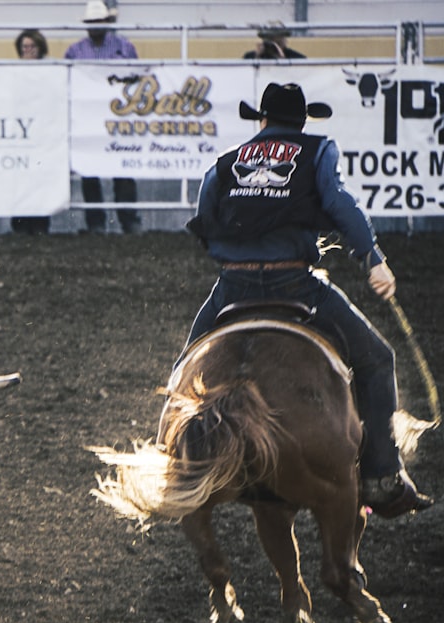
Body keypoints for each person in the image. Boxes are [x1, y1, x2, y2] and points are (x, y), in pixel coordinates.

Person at [184, 82, 432, 519]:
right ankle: (380, 472)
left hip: (233, 286)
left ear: (261, 120)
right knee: (377, 359)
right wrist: (372, 259)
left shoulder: (225, 162)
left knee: (187, 365)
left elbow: (206, 215)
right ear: (301, 122)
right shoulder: (316, 151)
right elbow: (340, 205)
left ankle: (176, 457)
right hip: (294, 286)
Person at [65, 0, 142, 235]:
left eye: (99, 21)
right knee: (90, 170)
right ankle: (96, 223)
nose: (95, 26)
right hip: (87, 117)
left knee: (123, 169)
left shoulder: (125, 47)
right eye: (92, 22)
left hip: (118, 117)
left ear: (107, 22)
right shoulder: (74, 51)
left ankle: (128, 220)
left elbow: (136, 78)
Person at [10, 28, 53, 235]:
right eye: (24, 47)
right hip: (20, 132)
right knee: (19, 180)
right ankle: (20, 225)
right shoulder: (14, 72)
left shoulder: (50, 71)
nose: (28, 50)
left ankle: (40, 224)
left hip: (42, 132)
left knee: (40, 179)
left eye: (31, 46)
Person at [243, 23, 307, 60]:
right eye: (270, 40)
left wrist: (284, 61)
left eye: (278, 42)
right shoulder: (250, 56)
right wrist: (257, 57)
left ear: (284, 41)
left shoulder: (296, 58)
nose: (273, 46)